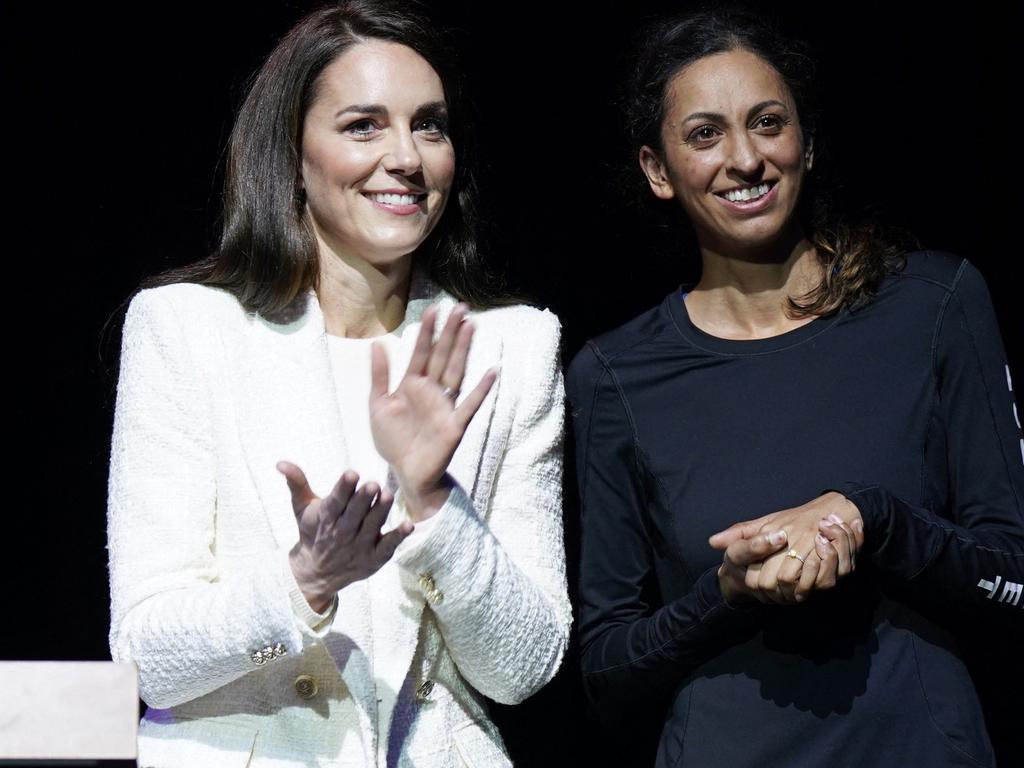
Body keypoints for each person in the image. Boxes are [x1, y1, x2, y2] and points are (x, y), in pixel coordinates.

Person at [106, 3, 571, 766]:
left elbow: (522, 670)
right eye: (363, 126)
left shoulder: (511, 346)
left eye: (429, 125)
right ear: (292, 155)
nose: (408, 158)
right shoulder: (187, 329)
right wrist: (306, 580)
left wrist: (433, 506)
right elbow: (148, 657)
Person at [567, 7, 1024, 767]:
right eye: (706, 134)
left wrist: (870, 518)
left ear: (806, 143)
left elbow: (1015, 580)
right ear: (658, 170)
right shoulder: (616, 373)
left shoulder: (934, 305)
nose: (744, 158)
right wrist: (727, 591)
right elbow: (608, 672)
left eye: (768, 122)